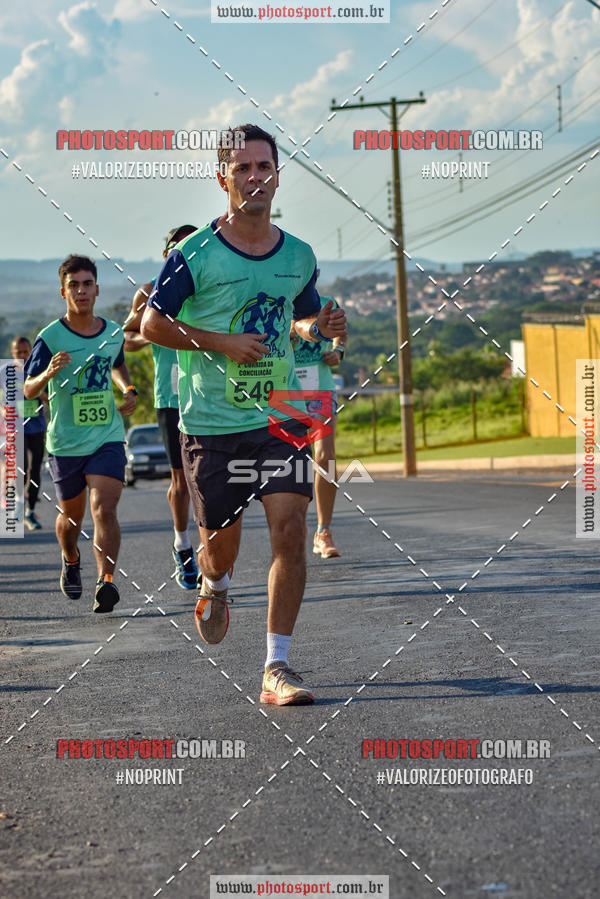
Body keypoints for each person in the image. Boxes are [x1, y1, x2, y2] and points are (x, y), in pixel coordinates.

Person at [141, 123, 346, 705]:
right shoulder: (193, 254)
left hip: (280, 417)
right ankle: (215, 581)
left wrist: (320, 326)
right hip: (211, 424)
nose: (256, 177)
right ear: (223, 178)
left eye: (265, 167)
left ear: (278, 175)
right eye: (243, 168)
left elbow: (301, 316)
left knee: (290, 531)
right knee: (222, 546)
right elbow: (153, 325)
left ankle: (276, 668)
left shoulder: (298, 254)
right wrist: (220, 343)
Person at [24, 254, 137, 613]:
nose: (81, 290)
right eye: (74, 285)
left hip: (107, 435)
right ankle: (71, 558)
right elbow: (26, 389)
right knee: (71, 518)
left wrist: (128, 389)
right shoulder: (50, 337)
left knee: (104, 508)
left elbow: (117, 364)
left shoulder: (113, 332)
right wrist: (47, 374)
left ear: (97, 289)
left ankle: (107, 582)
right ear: (63, 291)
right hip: (66, 442)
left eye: (87, 284)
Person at [123, 225, 199, 590]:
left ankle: (213, 550)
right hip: (170, 397)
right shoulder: (150, 290)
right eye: (176, 248)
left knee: (209, 477)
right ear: (166, 253)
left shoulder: (207, 281)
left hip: (203, 392)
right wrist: (141, 313)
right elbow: (128, 340)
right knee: (181, 479)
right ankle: (182, 544)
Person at [292, 293, 346, 558]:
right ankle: (293, 530)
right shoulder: (276, 303)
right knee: (292, 463)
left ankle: (323, 531)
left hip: (320, 389)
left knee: (325, 456)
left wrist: (339, 351)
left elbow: (341, 333)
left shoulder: (327, 304)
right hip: (286, 392)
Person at [11, 336, 47, 531]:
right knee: (22, 466)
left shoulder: (37, 371)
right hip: (16, 427)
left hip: (37, 426)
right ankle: (18, 504)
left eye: (26, 352)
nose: (23, 356)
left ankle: (30, 512)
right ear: (13, 354)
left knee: (36, 472)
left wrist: (40, 392)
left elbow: (51, 398)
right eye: (19, 353)